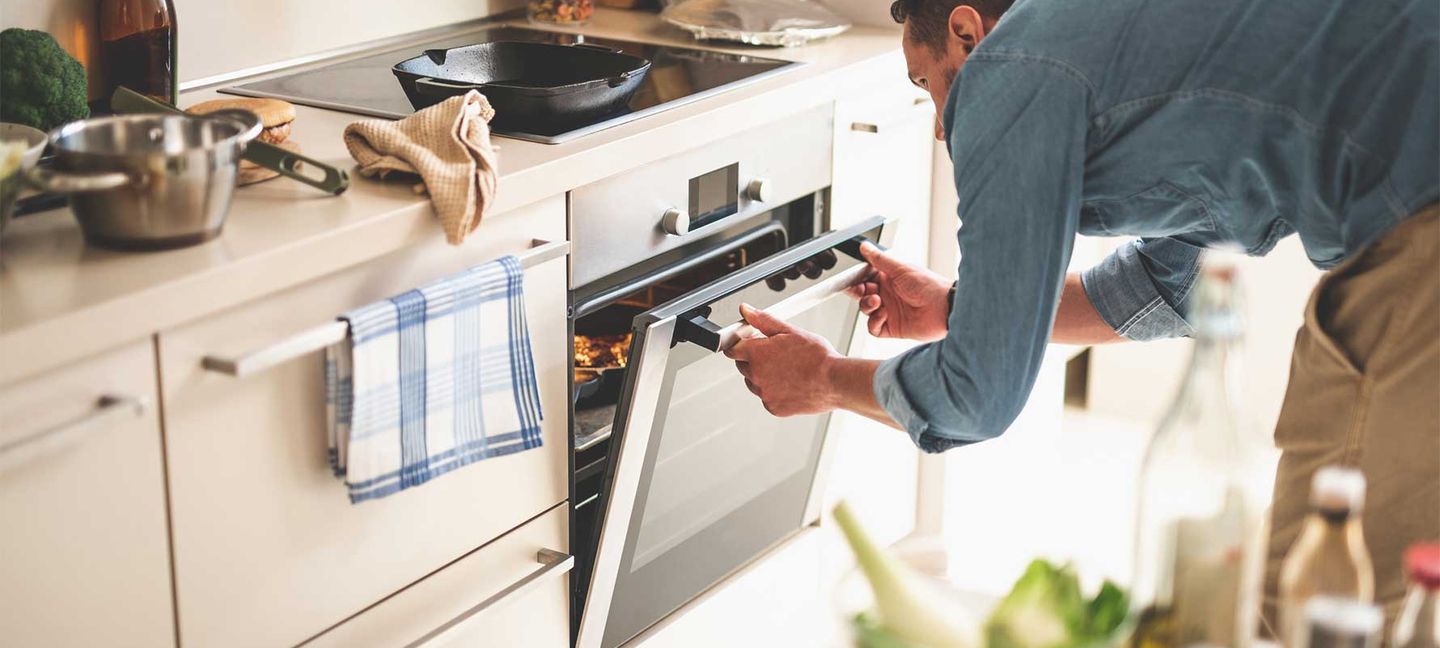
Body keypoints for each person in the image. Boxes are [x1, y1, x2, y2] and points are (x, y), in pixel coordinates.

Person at [723, 0, 1438, 631]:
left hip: (1419, 232)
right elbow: (1169, 287)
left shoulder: (1013, 65)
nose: (942, 127)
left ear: (969, 33)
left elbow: (980, 396)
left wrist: (822, 380)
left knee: (1314, 600)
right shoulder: (1127, 40)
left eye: (928, 83)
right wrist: (956, 309)